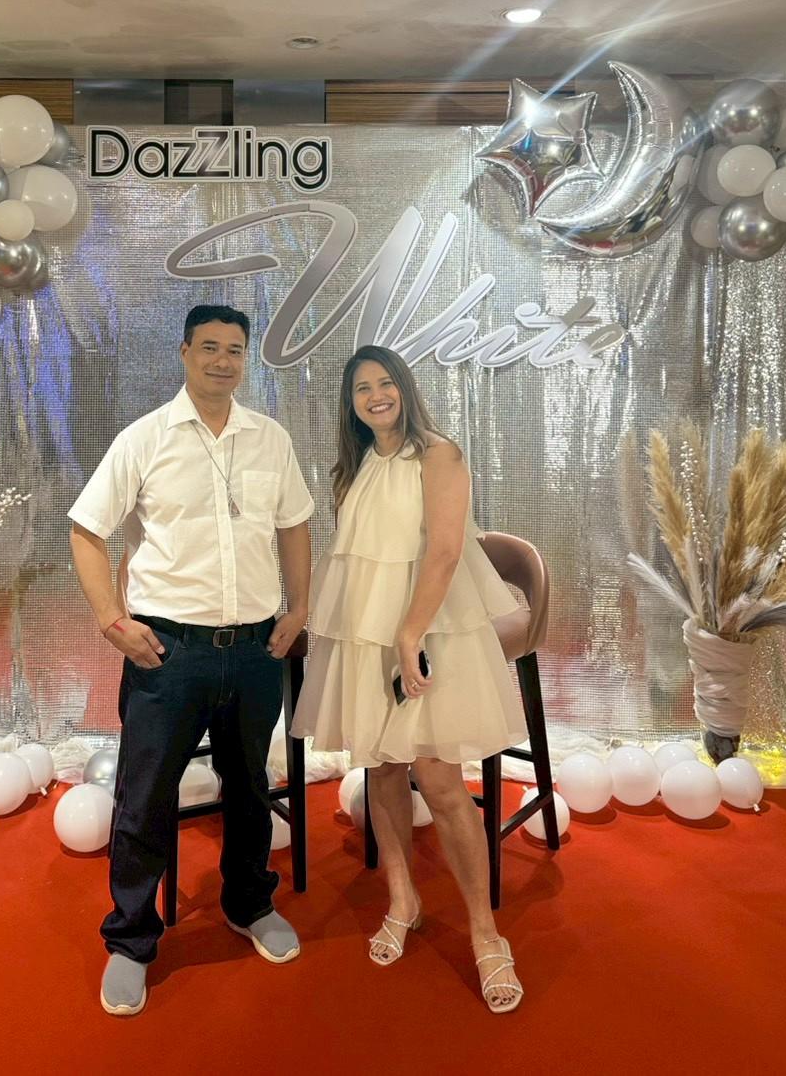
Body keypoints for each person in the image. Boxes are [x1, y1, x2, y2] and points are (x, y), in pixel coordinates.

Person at [69, 303, 314, 1017]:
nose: (222, 361)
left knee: (250, 787)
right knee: (144, 795)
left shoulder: (269, 438)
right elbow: (87, 529)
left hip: (255, 647)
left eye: (234, 349)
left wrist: (299, 607)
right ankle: (130, 939)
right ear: (183, 353)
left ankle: (248, 903)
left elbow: (295, 524)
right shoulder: (145, 438)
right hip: (168, 652)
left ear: (245, 359)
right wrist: (111, 619)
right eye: (209, 347)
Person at [291, 344, 529, 1012]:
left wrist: (410, 634)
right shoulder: (355, 468)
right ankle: (404, 898)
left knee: (442, 781)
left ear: (404, 386)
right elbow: (357, 568)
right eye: (362, 387)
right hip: (369, 638)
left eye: (385, 382)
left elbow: (446, 551)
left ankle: (485, 932)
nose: (376, 395)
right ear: (351, 403)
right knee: (382, 767)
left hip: (428, 634)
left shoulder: (439, 454)